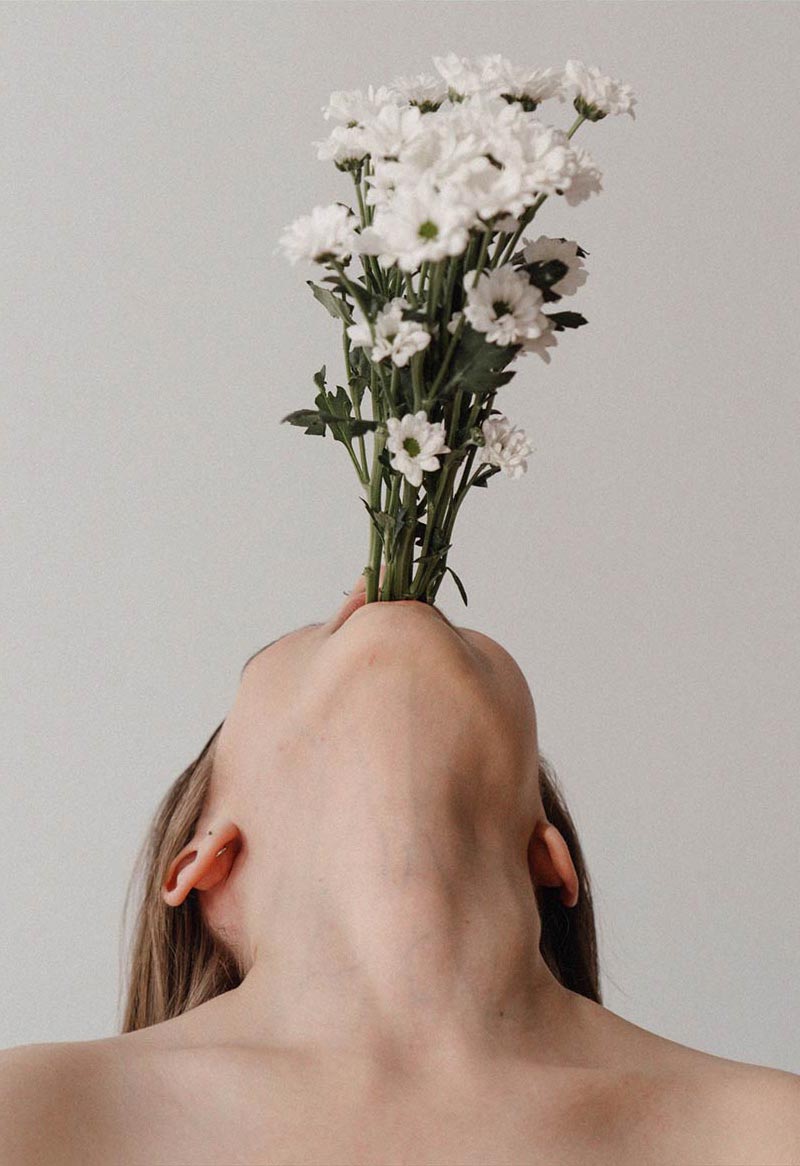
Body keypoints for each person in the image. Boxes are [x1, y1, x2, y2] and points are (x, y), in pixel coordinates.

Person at [1, 573, 798, 1166]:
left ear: (544, 858)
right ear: (208, 862)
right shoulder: (34, 1117)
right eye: (313, 633)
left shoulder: (771, 1132)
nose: (366, 603)